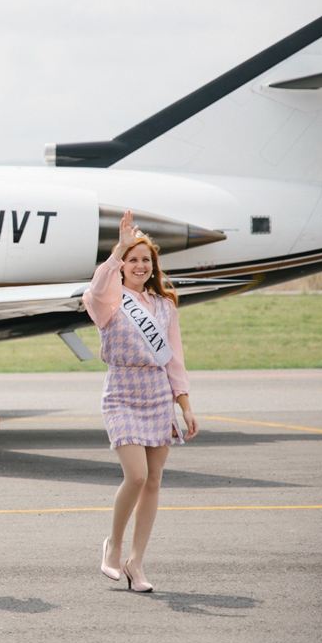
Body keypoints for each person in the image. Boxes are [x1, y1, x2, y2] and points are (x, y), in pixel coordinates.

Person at [84, 210, 198, 593]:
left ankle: (137, 561)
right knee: (135, 475)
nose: (139, 265)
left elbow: (174, 357)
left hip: (157, 394)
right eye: (132, 260)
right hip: (122, 391)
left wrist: (184, 404)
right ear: (122, 265)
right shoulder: (109, 301)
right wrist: (118, 246)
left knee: (153, 482)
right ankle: (112, 546)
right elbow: (99, 288)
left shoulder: (164, 305)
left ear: (153, 266)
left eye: (144, 260)